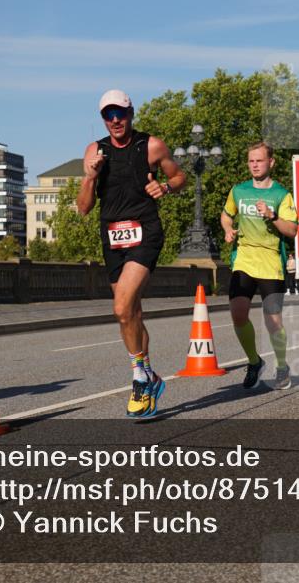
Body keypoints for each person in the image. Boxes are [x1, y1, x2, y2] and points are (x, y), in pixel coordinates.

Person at [77, 90, 186, 419]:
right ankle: (150, 374)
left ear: (131, 113)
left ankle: (139, 377)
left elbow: (179, 176)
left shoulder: (151, 145)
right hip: (112, 238)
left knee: (122, 305)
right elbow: (83, 209)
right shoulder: (95, 151)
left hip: (145, 232)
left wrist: (165, 187)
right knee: (131, 313)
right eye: (108, 115)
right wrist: (91, 177)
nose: (114, 121)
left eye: (120, 114)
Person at [221, 142, 299, 391]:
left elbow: (293, 230)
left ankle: (282, 366)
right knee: (238, 313)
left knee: (273, 321)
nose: (254, 165)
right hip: (243, 259)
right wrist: (227, 229)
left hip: (270, 263)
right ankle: (254, 362)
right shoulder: (239, 190)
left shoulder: (281, 195)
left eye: (259, 160)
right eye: (251, 161)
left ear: (271, 162)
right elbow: (226, 214)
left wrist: (273, 216)